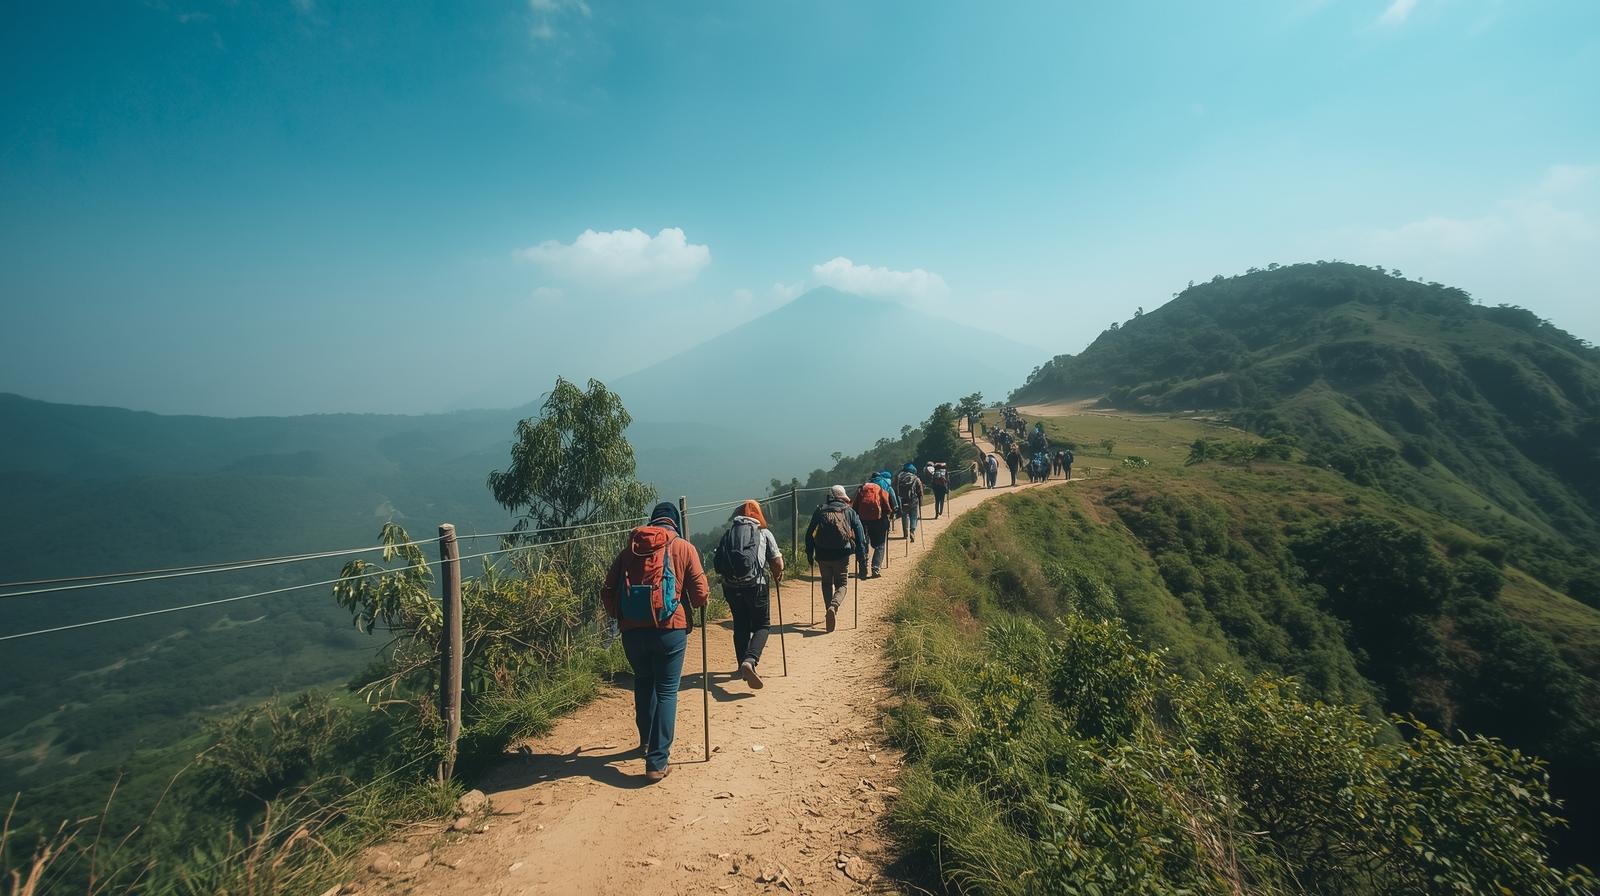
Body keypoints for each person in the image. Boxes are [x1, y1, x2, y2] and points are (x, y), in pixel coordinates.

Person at [601, 501, 710, 783]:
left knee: (643, 681)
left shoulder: (630, 550)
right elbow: (699, 593)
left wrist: (620, 615)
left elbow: (608, 589)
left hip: (632, 631)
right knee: (666, 691)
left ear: (652, 522)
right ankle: (657, 762)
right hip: (669, 628)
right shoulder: (683, 547)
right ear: (675, 523)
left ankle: (646, 743)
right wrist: (699, 603)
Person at [713, 500, 784, 690]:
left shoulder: (729, 534)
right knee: (762, 625)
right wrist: (778, 574)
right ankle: (750, 660)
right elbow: (777, 562)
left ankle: (741, 665)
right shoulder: (763, 533)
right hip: (756, 586)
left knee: (741, 624)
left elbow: (718, 562)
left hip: (730, 587)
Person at [805, 485, 867, 632]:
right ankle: (834, 606)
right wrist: (862, 558)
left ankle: (828, 610)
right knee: (842, 584)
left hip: (822, 554)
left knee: (826, 583)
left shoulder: (820, 510)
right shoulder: (849, 511)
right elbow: (860, 536)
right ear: (843, 497)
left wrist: (809, 553)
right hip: (842, 553)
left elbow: (809, 534)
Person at [851, 476, 894, 577]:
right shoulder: (881, 490)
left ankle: (863, 567)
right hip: (878, 521)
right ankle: (875, 568)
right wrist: (887, 516)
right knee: (880, 545)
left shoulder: (861, 490)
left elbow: (855, 507)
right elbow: (887, 508)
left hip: (863, 521)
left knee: (863, 543)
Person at [896, 463, 924, 542]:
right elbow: (920, 491)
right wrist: (921, 501)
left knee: (904, 516)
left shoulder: (899, 477)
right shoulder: (916, 478)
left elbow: (895, 488)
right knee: (914, 516)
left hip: (902, 500)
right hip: (913, 500)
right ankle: (912, 531)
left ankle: (905, 533)